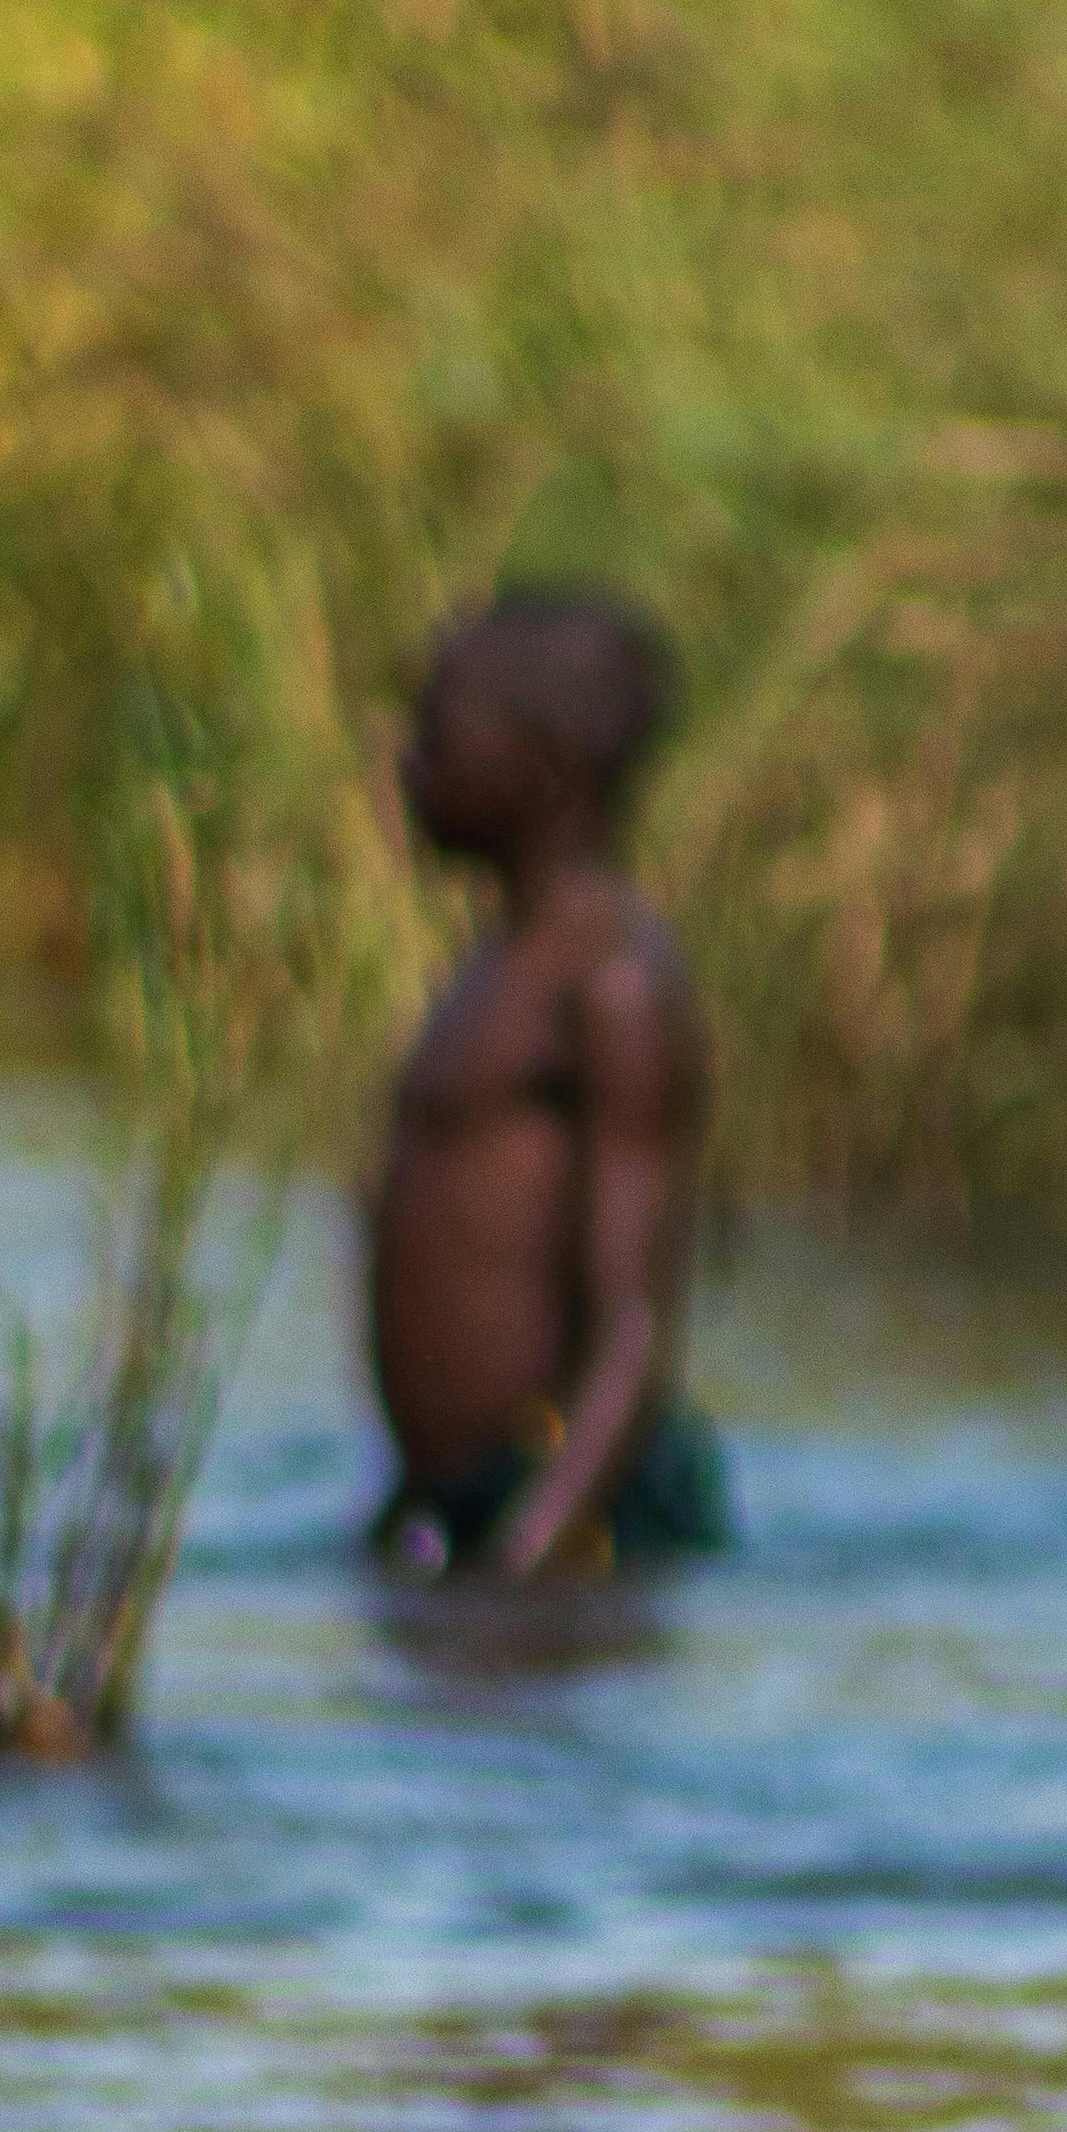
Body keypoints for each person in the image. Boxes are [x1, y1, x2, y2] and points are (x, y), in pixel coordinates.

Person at [364, 584, 730, 1578]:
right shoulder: (505, 963)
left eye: (439, 732)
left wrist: (529, 1548)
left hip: (573, 1506)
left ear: (543, 766)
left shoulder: (611, 984)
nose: (409, 762)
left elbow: (634, 1327)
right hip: (472, 1498)